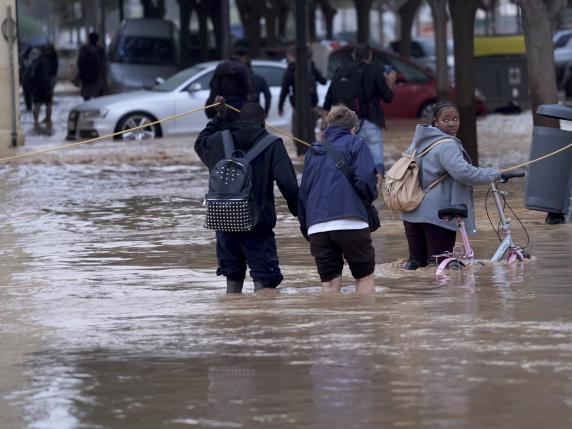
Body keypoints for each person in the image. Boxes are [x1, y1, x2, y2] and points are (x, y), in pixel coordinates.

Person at [195, 97, 299, 293]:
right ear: (263, 122)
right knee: (265, 281)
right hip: (258, 224)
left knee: (233, 279)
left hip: (225, 222)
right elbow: (288, 184)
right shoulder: (272, 144)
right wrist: (300, 213)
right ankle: (260, 320)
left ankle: (234, 319)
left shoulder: (218, 140)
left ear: (239, 119)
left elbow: (200, 143)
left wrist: (219, 117)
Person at [400, 101, 502, 270]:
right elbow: (464, 173)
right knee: (441, 266)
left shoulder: (418, 141)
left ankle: (413, 296)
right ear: (435, 121)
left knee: (416, 266)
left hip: (411, 212)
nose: (451, 123)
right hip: (437, 215)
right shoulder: (447, 144)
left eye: (455, 118)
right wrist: (493, 174)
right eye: (445, 119)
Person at [298, 104, 378, 294]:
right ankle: (367, 322)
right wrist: (368, 201)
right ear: (353, 129)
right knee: (364, 277)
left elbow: (303, 193)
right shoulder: (356, 143)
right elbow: (366, 180)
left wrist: (307, 228)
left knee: (329, 285)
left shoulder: (313, 151)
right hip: (351, 222)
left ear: (327, 125)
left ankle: (331, 323)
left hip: (317, 226)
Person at [322, 43, 396, 177]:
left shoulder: (340, 71)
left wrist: (325, 125)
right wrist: (390, 82)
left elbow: (328, 102)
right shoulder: (374, 70)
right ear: (370, 55)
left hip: (343, 124)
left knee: (347, 159)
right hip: (369, 120)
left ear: (353, 55)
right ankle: (376, 191)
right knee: (376, 160)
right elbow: (388, 97)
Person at [278, 45, 327, 157]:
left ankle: (304, 154)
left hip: (299, 107)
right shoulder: (310, 68)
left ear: (292, 56)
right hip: (311, 106)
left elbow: (284, 90)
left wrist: (280, 106)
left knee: (297, 132)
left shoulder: (291, 70)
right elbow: (323, 81)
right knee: (310, 132)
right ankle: (312, 154)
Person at [205, 47, 251, 121]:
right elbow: (247, 88)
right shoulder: (243, 68)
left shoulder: (221, 66)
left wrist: (211, 106)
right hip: (238, 106)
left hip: (222, 105)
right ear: (244, 56)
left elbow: (214, 86)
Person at [30, 44, 56, 131]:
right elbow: (46, 74)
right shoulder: (46, 60)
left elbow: (32, 74)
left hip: (37, 86)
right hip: (44, 85)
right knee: (47, 103)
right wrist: (49, 86)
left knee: (37, 103)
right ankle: (46, 119)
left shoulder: (38, 59)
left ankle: (36, 121)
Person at [77, 32, 106, 101]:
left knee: (86, 98)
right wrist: (104, 79)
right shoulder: (100, 50)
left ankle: (86, 110)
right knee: (98, 99)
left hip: (86, 78)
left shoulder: (84, 49)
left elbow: (79, 62)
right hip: (97, 78)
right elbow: (104, 65)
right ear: (97, 40)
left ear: (89, 39)